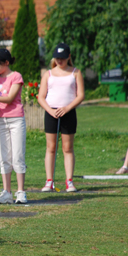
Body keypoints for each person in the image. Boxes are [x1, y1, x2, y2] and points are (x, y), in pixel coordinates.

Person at [37, 43, 85, 192]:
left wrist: (67, 108)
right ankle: (49, 181)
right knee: (51, 147)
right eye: (57, 58)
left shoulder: (76, 72)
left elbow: (81, 95)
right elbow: (41, 97)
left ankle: (69, 181)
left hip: (68, 113)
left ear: (68, 57)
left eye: (63, 58)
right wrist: (50, 111)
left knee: (67, 148)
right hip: (51, 113)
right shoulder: (48, 74)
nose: (60, 61)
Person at [0, 48, 27, 204]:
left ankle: (21, 192)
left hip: (16, 119)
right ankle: (7, 192)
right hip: (1, 120)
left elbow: (9, 98)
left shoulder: (16, 76)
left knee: (17, 156)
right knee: (4, 157)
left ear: (7, 63)